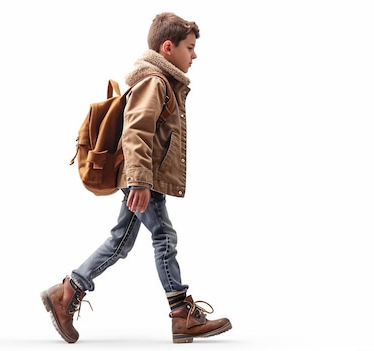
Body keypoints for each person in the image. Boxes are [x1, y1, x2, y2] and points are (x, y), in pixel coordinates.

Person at [40, 12, 232, 344]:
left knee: (121, 241)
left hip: (143, 177)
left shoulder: (160, 82)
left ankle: (68, 290)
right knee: (164, 237)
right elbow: (136, 133)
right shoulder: (155, 82)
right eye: (190, 47)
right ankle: (181, 313)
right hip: (143, 179)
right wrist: (141, 182)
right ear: (168, 47)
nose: (195, 55)